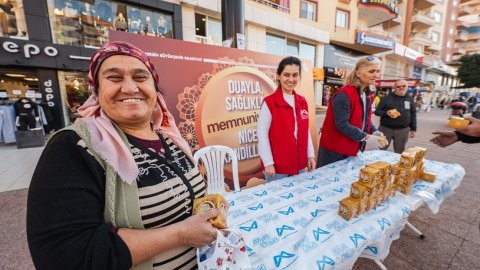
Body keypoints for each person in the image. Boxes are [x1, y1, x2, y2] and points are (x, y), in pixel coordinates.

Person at [26, 41, 219, 270]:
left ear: (155, 90)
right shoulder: (73, 147)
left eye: (140, 77)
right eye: (114, 78)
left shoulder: (168, 138)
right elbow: (64, 256)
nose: (129, 88)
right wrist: (180, 235)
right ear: (96, 90)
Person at [316, 56, 384, 168]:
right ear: (358, 73)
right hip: (334, 150)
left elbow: (365, 120)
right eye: (371, 71)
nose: (376, 75)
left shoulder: (367, 95)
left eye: (377, 71)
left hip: (352, 147)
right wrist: (366, 137)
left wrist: (374, 131)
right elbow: (342, 124)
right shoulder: (344, 95)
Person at [257, 56, 315, 182]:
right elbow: (262, 134)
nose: (291, 79)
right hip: (277, 168)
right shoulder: (270, 103)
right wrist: (268, 163)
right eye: (286, 75)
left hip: (299, 164)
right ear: (279, 76)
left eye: (295, 75)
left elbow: (306, 131)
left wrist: (310, 155)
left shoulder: (302, 101)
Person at [374, 79, 416, 153]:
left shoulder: (410, 98)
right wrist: (386, 113)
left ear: (407, 87)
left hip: (403, 130)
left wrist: (413, 129)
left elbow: (413, 114)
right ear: (394, 88)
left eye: (403, 86)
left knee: (400, 152)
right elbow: (377, 112)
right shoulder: (386, 98)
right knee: (380, 149)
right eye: (398, 86)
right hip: (385, 129)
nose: (401, 88)